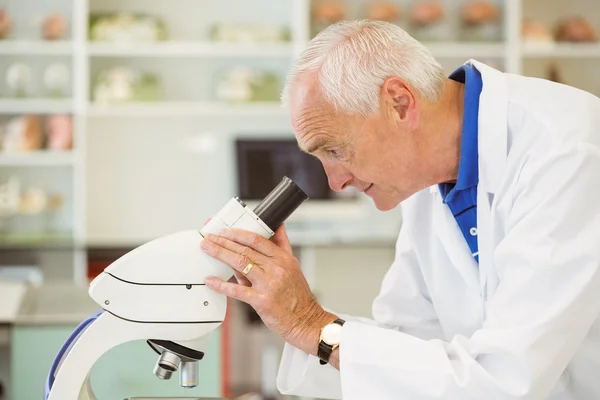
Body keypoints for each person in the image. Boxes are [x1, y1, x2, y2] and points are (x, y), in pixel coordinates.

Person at [200, 19, 600, 399]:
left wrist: (309, 323)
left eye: (335, 150)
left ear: (399, 103)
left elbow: (506, 380)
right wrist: (285, 311)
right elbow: (409, 347)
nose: (335, 182)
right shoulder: (428, 177)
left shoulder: (566, 151)